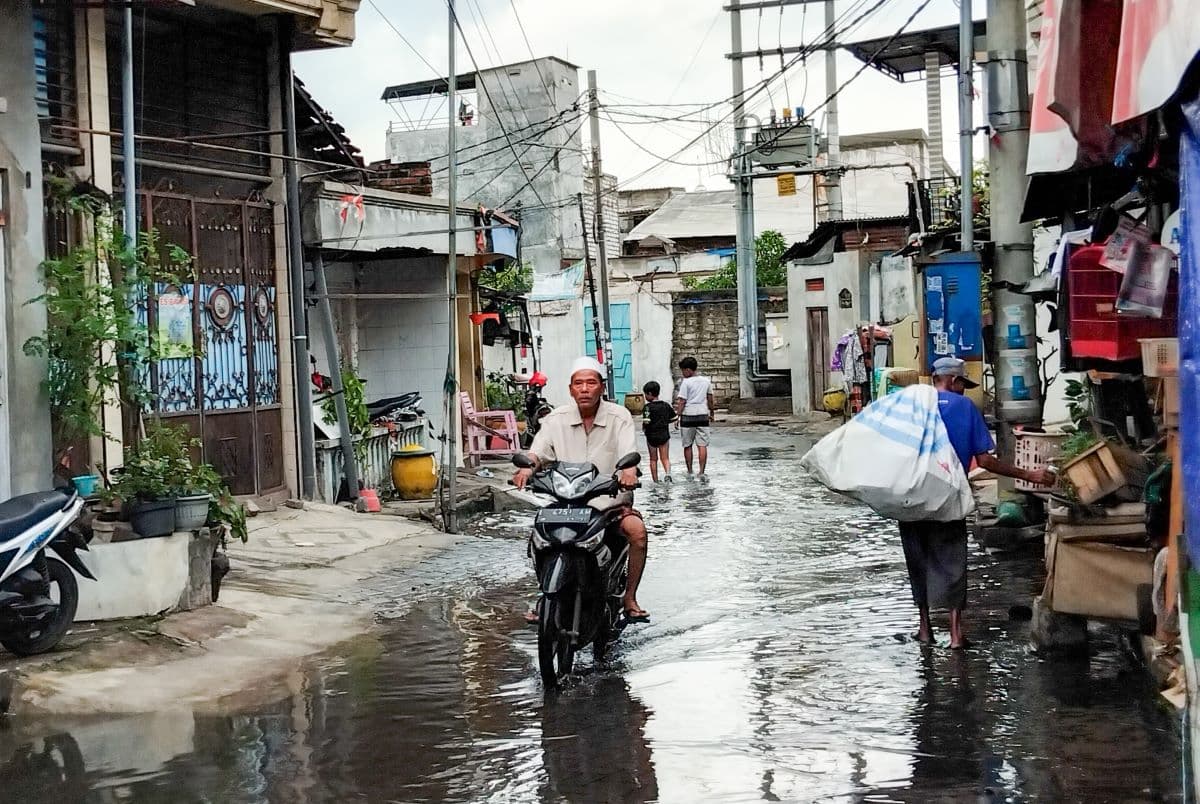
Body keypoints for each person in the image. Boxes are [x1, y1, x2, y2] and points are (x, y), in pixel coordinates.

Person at [906, 357, 1056, 649]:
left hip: (911, 497)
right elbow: (985, 461)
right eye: (963, 383)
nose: (964, 389)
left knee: (918, 559)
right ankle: (955, 634)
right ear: (952, 381)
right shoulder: (965, 407)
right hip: (948, 496)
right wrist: (1029, 475)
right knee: (953, 561)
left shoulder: (914, 405)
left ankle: (924, 629)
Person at [514, 356, 650, 620]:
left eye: (591, 383)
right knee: (539, 537)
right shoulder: (556, 419)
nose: (585, 389)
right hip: (567, 504)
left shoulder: (619, 416)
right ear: (570, 389)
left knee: (637, 532)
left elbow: (628, 451)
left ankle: (630, 597)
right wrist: (526, 468)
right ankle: (546, 595)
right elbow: (538, 451)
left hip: (608, 504)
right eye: (579, 383)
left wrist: (629, 471)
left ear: (602, 387)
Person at [674, 356, 714, 480]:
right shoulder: (706, 381)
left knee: (687, 445)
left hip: (688, 416)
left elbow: (682, 401)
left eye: (683, 370)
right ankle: (701, 472)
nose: (683, 373)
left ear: (688, 370)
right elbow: (710, 399)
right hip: (702, 415)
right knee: (702, 445)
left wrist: (677, 416)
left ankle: (690, 471)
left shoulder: (686, 383)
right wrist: (712, 413)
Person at [641, 381, 676, 483]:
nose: (645, 396)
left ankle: (655, 480)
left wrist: (644, 428)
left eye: (645, 394)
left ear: (650, 393)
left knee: (653, 459)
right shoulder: (666, 405)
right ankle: (668, 474)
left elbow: (646, 422)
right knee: (665, 458)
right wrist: (665, 421)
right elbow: (674, 418)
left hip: (651, 436)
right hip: (664, 435)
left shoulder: (647, 407)